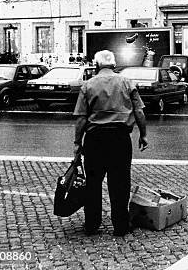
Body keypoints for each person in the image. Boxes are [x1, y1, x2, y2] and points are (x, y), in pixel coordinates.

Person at [73, 50, 149, 236]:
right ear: (114, 65)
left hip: (95, 140)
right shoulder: (126, 82)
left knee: (93, 183)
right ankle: (121, 226)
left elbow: (81, 119)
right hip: (120, 139)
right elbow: (139, 112)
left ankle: (92, 224)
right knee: (120, 183)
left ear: (97, 65)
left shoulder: (88, 85)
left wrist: (77, 142)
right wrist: (143, 135)